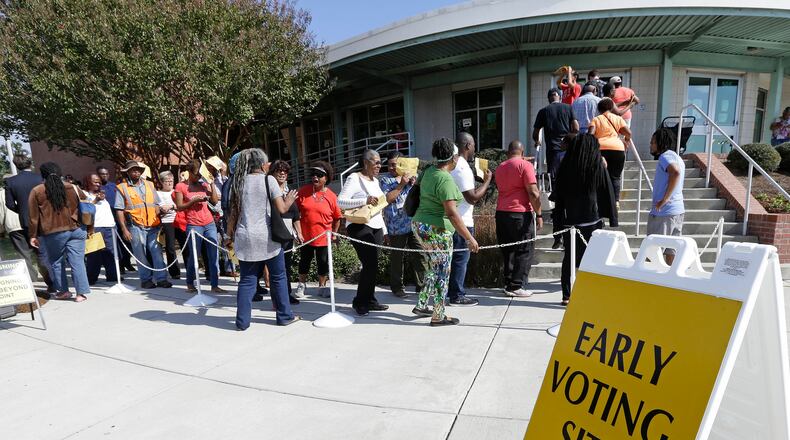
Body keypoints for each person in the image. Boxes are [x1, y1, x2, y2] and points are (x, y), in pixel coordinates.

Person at [226, 148, 300, 330]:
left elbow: (233, 214)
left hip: (245, 237)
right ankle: (284, 315)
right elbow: (282, 209)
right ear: (261, 164)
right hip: (267, 238)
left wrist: (228, 235)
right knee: (278, 277)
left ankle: (242, 322)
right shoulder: (269, 180)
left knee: (247, 280)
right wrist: (289, 199)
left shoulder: (238, 182)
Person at [412, 138, 480, 326]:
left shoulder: (428, 171)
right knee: (443, 272)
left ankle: (422, 304)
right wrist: (469, 238)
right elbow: (452, 214)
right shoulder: (445, 179)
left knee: (435, 268)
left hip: (420, 225)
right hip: (436, 229)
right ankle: (438, 315)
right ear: (455, 158)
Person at [551, 134, 618, 305]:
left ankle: (567, 295)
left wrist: (557, 229)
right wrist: (612, 218)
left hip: (570, 220)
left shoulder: (566, 166)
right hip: (592, 220)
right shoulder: (596, 166)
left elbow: (558, 198)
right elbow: (607, 192)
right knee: (593, 259)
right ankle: (591, 294)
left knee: (569, 259)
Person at [28, 162, 90, 302]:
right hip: (77, 229)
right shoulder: (73, 187)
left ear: (42, 175)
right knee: (78, 261)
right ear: (60, 172)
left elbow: (33, 217)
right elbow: (86, 205)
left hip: (53, 232)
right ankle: (81, 294)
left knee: (56, 261)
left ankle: (63, 291)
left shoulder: (37, 191)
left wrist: (32, 235)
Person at [338, 149, 389, 316]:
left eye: (380, 162)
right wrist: (364, 200)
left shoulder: (375, 181)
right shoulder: (354, 178)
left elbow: (379, 207)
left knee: (373, 266)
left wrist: (385, 229)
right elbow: (340, 202)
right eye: (377, 162)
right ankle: (359, 301)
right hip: (359, 226)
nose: (380, 165)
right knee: (370, 264)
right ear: (366, 163)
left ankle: (370, 299)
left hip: (376, 226)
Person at [446, 132, 491, 307]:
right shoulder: (462, 167)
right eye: (473, 145)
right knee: (460, 260)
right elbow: (472, 198)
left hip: (455, 219)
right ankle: (457, 296)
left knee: (454, 260)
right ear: (467, 146)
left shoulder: (455, 164)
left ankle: (452, 293)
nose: (474, 149)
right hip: (462, 221)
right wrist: (487, 181)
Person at [115, 160, 173, 289]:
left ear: (141, 172)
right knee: (140, 254)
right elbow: (119, 210)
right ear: (128, 172)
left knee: (157, 253)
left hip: (153, 226)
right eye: (133, 170)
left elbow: (156, 204)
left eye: (138, 170)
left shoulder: (150, 185)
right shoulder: (122, 188)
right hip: (135, 226)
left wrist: (161, 212)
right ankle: (146, 280)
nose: (136, 172)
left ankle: (161, 279)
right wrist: (124, 229)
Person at [495, 140, 542, 297]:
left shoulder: (500, 167)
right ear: (522, 153)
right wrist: (539, 213)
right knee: (524, 249)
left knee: (508, 250)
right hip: (520, 213)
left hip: (501, 213)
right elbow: (534, 193)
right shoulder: (525, 166)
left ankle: (509, 283)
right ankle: (516, 286)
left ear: (508, 152)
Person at [533, 88, 579, 248]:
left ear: (548, 98)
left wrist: (536, 142)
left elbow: (536, 132)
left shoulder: (544, 111)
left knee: (558, 200)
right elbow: (576, 127)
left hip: (553, 155)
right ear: (559, 97)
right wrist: (570, 139)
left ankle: (558, 238)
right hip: (568, 155)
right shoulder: (568, 108)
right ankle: (570, 239)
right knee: (571, 198)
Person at [4, 153, 55, 293]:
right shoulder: (40, 178)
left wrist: (22, 210)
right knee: (43, 253)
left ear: (16, 165)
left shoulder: (11, 181)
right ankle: (51, 282)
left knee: (30, 253)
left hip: (26, 221)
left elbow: (9, 204)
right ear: (30, 163)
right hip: (45, 219)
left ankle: (39, 283)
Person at [379, 151, 426, 298]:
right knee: (397, 258)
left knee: (420, 255)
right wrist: (401, 184)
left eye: (396, 164)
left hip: (413, 223)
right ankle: (397, 288)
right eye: (390, 165)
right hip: (395, 226)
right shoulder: (385, 180)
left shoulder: (413, 176)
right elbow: (388, 199)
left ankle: (422, 287)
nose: (393, 168)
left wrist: (414, 184)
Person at [175, 159, 224, 293]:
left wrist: (212, 184)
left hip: (209, 223)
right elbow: (179, 207)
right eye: (196, 174)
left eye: (200, 174)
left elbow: (214, 202)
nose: (198, 177)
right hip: (193, 225)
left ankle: (214, 285)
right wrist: (193, 201)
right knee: (194, 256)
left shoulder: (203, 184)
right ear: (189, 172)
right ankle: (190, 283)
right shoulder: (181, 186)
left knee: (213, 255)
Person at [295, 161, 341, 298]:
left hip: (323, 238)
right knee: (304, 262)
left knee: (323, 263)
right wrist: (297, 231)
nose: (315, 177)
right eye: (313, 174)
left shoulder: (332, 196)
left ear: (326, 178)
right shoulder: (303, 191)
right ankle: (301, 285)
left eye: (319, 175)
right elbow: (294, 212)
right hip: (306, 237)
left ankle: (322, 287)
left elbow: (337, 217)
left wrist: (334, 234)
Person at [648, 128, 685, 265]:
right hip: (678, 211)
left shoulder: (665, 157)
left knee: (652, 250)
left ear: (661, 143)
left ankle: (648, 281)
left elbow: (674, 172)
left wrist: (665, 199)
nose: (650, 145)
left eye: (653, 142)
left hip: (664, 212)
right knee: (671, 250)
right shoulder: (678, 158)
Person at [268, 159, 303, 305]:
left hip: (288, 233)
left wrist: (299, 233)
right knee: (277, 269)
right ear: (273, 173)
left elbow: (295, 215)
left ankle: (286, 295)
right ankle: (277, 299)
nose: (282, 173)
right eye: (278, 170)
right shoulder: (269, 191)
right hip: (274, 232)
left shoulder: (291, 192)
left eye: (285, 171)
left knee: (286, 267)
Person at [588, 98, 632, 204]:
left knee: (599, 176)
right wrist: (626, 142)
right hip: (618, 149)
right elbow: (628, 133)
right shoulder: (618, 119)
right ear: (611, 108)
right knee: (615, 177)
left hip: (601, 150)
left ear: (599, 109)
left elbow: (590, 135)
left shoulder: (596, 119)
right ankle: (615, 201)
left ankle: (600, 202)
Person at [98, 165, 135, 274]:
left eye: (106, 174)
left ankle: (127, 262)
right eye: (102, 174)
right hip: (105, 219)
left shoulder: (114, 186)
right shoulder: (96, 188)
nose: (104, 176)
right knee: (113, 245)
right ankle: (119, 266)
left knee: (126, 242)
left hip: (118, 217)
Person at [84, 173, 118, 285]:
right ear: (88, 182)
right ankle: (91, 278)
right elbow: (85, 210)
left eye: (99, 182)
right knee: (94, 255)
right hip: (96, 227)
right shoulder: (84, 194)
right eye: (95, 182)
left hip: (109, 226)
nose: (98, 184)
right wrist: (95, 200)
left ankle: (112, 276)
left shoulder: (102, 194)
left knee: (110, 253)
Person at [156, 171, 180, 280]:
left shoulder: (176, 191)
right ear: (161, 182)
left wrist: (171, 206)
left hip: (179, 220)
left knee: (186, 246)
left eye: (171, 181)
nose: (170, 183)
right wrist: (168, 207)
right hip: (166, 222)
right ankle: (174, 272)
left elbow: (180, 205)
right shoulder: (157, 193)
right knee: (170, 247)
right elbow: (160, 207)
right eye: (167, 181)